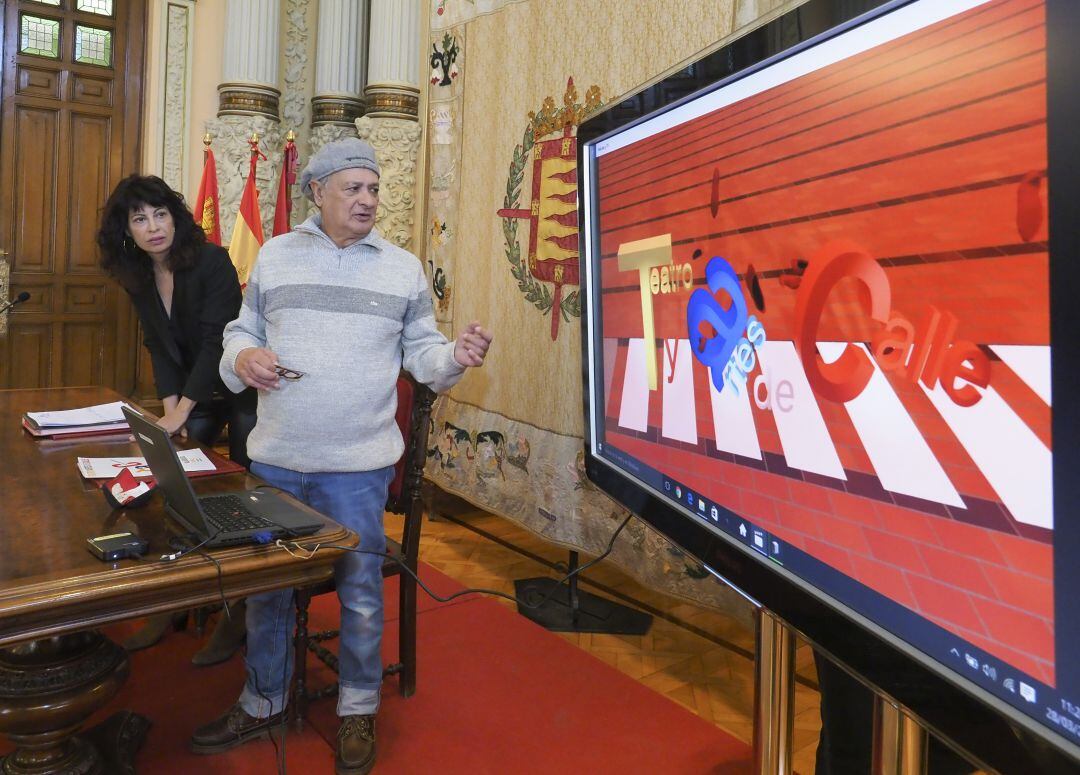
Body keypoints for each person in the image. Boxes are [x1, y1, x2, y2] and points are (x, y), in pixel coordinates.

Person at [191, 138, 492, 775]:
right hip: (277, 461)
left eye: (374, 189)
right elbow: (241, 332)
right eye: (353, 188)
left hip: (358, 468)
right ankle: (264, 699)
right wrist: (243, 358)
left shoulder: (401, 269)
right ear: (317, 193)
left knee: (359, 594)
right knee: (268, 592)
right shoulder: (276, 255)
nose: (367, 200)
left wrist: (455, 358)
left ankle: (358, 707)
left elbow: (425, 355)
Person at [97, 174, 257, 665]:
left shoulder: (211, 260)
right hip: (190, 391)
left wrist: (181, 411)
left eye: (160, 214)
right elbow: (157, 345)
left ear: (175, 217)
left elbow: (215, 342)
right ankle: (174, 599)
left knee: (241, 498)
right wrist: (170, 411)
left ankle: (238, 611)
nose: (153, 227)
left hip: (239, 390)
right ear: (126, 230)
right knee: (170, 491)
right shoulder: (137, 274)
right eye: (139, 219)